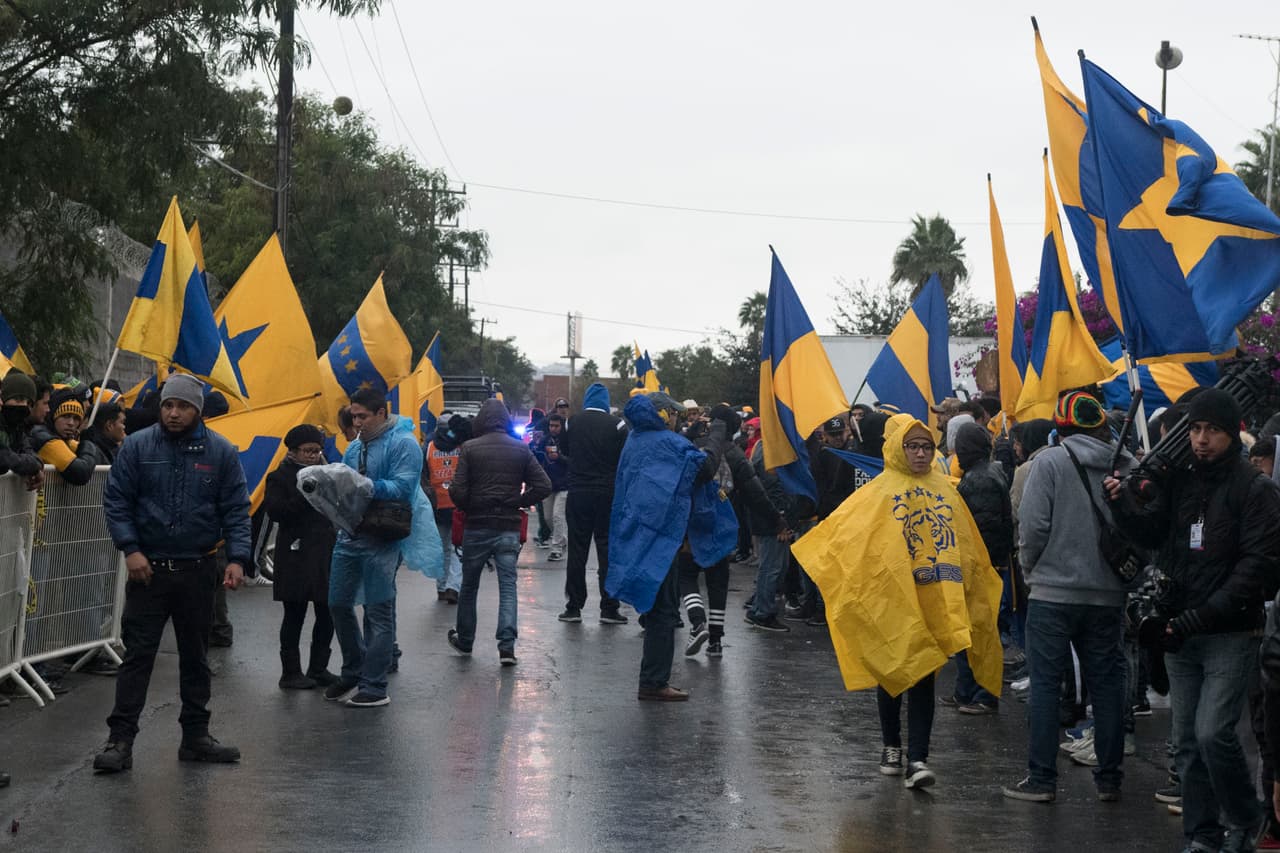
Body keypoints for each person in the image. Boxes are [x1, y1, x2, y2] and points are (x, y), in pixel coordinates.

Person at [1106, 388, 1280, 851]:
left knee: (1212, 733)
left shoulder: (1255, 489)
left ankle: (1245, 817)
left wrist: (1199, 617)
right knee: (1185, 743)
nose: (1202, 440)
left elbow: (1256, 568)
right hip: (1179, 630)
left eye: (1213, 431)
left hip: (1229, 631)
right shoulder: (1181, 481)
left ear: (1232, 433)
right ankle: (1202, 835)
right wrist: (1122, 504)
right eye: (1197, 429)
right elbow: (1153, 535)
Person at [793, 413, 1003, 790]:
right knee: (892, 671)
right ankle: (892, 745)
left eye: (926, 446)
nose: (921, 454)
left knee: (924, 674)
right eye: (913, 446)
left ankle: (918, 757)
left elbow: (967, 545)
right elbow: (847, 536)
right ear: (897, 448)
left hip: (935, 598)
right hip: (892, 599)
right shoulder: (878, 492)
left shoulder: (946, 491)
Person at [95, 373, 249, 773]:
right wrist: (130, 550)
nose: (174, 413)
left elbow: (236, 507)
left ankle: (196, 737)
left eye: (182, 406)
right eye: (167, 405)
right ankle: (120, 740)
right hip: (149, 572)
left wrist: (237, 558)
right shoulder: (137, 447)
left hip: (199, 570)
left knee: (196, 657)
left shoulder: (220, 452)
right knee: (138, 657)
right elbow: (117, 501)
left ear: (197, 409)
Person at [1002, 390, 1130, 804]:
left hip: (1053, 595)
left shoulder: (1049, 463)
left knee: (1044, 685)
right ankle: (1109, 780)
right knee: (1107, 686)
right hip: (1108, 595)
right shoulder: (1127, 466)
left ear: (1061, 426)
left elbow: (1033, 528)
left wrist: (1032, 572)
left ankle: (1041, 780)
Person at [607, 393, 727, 700]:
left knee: (659, 605)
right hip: (659, 537)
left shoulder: (638, 438)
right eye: (673, 415)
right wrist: (717, 433)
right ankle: (653, 682)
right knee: (663, 611)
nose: (676, 419)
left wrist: (688, 436)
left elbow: (671, 454)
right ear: (663, 416)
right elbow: (703, 470)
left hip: (643, 532)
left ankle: (653, 678)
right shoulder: (666, 443)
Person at [325, 387, 423, 708]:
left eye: (363, 416)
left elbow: (403, 487)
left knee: (378, 611)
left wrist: (367, 486)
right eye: (354, 416)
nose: (357, 422)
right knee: (338, 603)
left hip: (383, 536)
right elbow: (344, 482)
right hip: (350, 534)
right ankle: (353, 669)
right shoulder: (355, 448)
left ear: (381, 413)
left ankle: (375, 684)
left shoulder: (404, 443)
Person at [446, 398, 551, 666]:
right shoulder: (520, 449)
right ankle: (507, 646)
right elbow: (544, 485)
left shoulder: (469, 448)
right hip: (508, 527)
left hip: (477, 526)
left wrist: (473, 503)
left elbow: (457, 491)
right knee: (508, 586)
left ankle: (466, 640)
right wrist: (518, 501)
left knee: (469, 586)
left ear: (481, 421)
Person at [681, 405, 779, 652]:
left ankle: (696, 620)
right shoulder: (736, 455)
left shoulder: (693, 446)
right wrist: (777, 520)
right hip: (723, 524)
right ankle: (715, 641)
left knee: (686, 574)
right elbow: (756, 494)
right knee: (718, 580)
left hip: (692, 523)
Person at [263, 425, 337, 690]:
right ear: (293, 451)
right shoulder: (279, 477)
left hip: (323, 552)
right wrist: (304, 495)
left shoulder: (327, 473)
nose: (313, 456)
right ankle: (290, 671)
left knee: (327, 613)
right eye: (307, 451)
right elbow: (276, 511)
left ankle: (319, 667)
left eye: (317, 450)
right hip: (294, 553)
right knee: (294, 614)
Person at [946, 421, 1012, 716]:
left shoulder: (979, 480)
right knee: (970, 632)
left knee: (979, 634)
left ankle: (983, 693)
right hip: (980, 567)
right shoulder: (985, 473)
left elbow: (982, 530)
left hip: (980, 569)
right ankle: (965, 691)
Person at [559, 382, 629, 624]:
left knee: (577, 550)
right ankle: (609, 607)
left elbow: (563, 449)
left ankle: (574, 607)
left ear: (587, 400)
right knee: (607, 550)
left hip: (578, 492)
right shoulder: (618, 425)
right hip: (608, 494)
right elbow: (624, 458)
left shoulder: (572, 422)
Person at [424, 414, 469, 603]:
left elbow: (423, 476)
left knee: (440, 548)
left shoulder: (429, 447)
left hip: (437, 505)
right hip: (458, 504)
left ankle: (441, 587)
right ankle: (453, 586)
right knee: (457, 547)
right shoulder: (462, 445)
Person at [28, 391, 98, 485]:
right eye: (65, 416)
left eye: (76, 418)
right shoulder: (45, 438)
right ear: (53, 416)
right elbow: (81, 473)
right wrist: (88, 444)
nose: (71, 423)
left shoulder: (66, 441)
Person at [531, 412, 570, 561]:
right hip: (548, 484)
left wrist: (559, 457)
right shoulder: (545, 440)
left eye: (556, 426)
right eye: (551, 425)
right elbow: (538, 457)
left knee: (558, 516)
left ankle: (557, 548)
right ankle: (562, 540)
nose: (553, 428)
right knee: (547, 518)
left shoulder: (567, 441)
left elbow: (573, 460)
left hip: (564, 484)